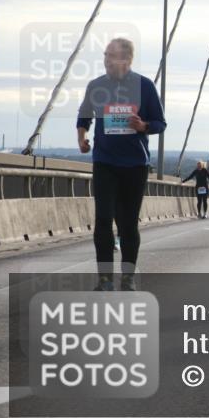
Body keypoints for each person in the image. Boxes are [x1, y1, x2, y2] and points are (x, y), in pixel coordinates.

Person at [76, 37, 165, 291]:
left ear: (126, 60)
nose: (106, 60)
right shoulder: (96, 86)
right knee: (103, 219)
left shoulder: (144, 86)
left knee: (127, 223)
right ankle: (104, 279)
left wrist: (144, 126)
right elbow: (84, 114)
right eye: (105, 55)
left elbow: (160, 122)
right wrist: (82, 137)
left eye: (111, 56)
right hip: (105, 162)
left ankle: (127, 277)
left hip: (135, 164)